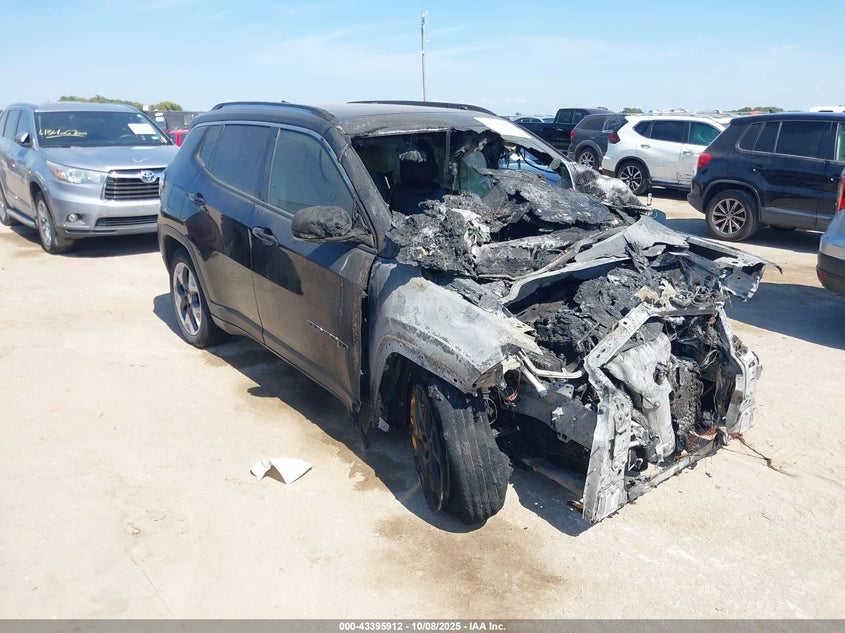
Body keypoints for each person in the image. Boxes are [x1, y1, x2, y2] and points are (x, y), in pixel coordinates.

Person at [389, 139, 445, 214]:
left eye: (424, 166)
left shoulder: (446, 197)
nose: (418, 172)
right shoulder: (394, 195)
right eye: (412, 167)